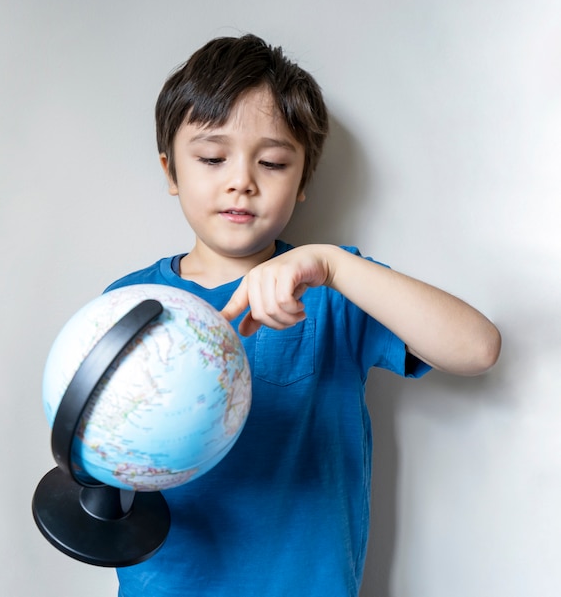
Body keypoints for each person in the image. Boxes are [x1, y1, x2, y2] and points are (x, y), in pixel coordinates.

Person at [105, 34, 501, 597]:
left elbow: (479, 347)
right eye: (213, 158)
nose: (241, 180)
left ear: (304, 179)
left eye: (271, 162)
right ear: (171, 172)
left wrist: (333, 265)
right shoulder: (125, 303)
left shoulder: (336, 286)